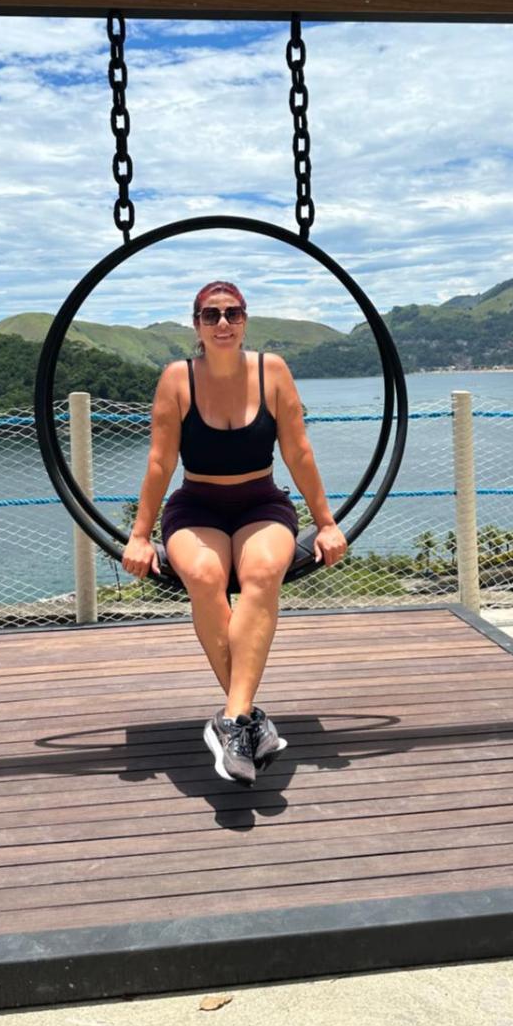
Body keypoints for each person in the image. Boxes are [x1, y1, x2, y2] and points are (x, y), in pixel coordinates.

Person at [121, 279, 347, 786]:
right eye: (211, 315)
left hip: (261, 502)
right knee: (204, 575)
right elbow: (159, 462)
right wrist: (140, 534)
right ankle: (246, 721)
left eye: (233, 313)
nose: (222, 323)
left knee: (263, 571)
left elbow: (298, 451)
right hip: (196, 505)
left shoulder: (273, 372)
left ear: (245, 320)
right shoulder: (178, 378)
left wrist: (326, 523)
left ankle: (231, 721)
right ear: (196, 325)